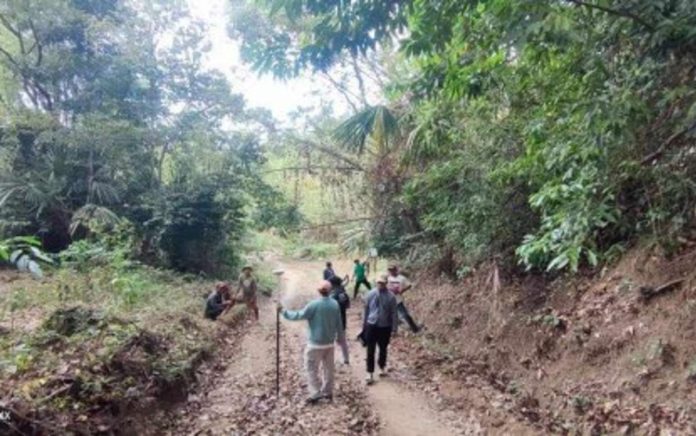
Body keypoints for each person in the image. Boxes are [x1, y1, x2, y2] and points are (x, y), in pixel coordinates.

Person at [278, 280, 345, 403]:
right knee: (328, 369)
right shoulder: (335, 304)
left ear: (318, 291)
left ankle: (315, 392)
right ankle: (327, 392)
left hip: (315, 344)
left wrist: (283, 311)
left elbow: (298, 315)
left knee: (310, 368)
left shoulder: (313, 305)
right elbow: (339, 324)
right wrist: (340, 339)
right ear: (330, 291)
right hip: (329, 343)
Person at [362, 275, 398, 385]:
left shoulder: (391, 296)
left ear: (386, 283)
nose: (380, 285)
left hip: (384, 326)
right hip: (372, 324)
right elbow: (366, 309)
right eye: (378, 283)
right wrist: (364, 324)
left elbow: (394, 313)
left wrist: (394, 328)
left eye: (382, 283)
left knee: (383, 348)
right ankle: (369, 372)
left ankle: (382, 366)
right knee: (370, 349)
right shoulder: (371, 294)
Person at [387, 265, 421, 333]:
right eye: (390, 270)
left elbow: (409, 285)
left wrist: (402, 291)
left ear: (395, 270)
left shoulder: (401, 278)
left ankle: (415, 329)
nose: (391, 272)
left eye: (392, 270)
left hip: (398, 300)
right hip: (389, 300)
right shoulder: (389, 278)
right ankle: (392, 331)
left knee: (405, 315)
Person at [329, 275, 350, 364]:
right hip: (342, 320)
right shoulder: (344, 293)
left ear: (333, 284)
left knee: (330, 341)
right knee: (342, 341)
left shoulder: (332, 295)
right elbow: (348, 306)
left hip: (332, 321)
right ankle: (346, 359)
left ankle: (331, 359)